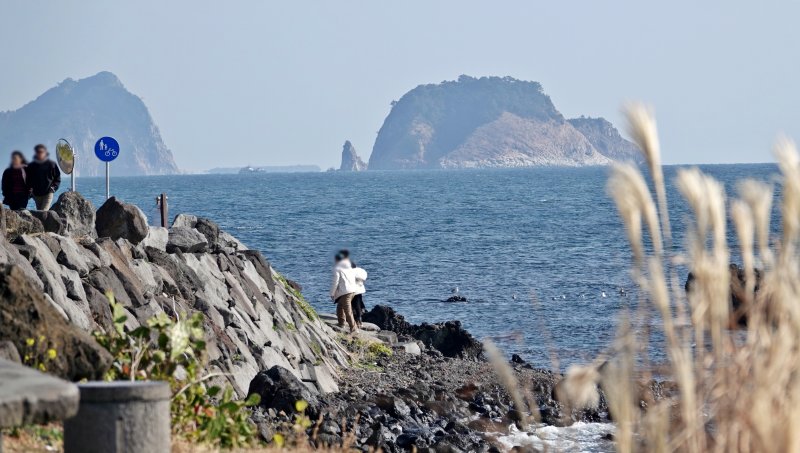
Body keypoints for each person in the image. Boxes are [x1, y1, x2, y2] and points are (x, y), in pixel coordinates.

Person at [330, 251, 367, 333]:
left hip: (345, 292)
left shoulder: (337, 268)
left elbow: (335, 282)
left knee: (348, 310)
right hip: (353, 290)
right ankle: (341, 323)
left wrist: (332, 293)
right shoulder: (349, 267)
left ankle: (353, 328)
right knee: (340, 306)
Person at [27, 144, 60, 211]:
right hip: (36, 195)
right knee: (40, 214)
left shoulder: (52, 164)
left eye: (41, 152)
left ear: (45, 153)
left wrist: (53, 187)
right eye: (38, 152)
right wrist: (30, 191)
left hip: (48, 193)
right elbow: (28, 180)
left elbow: (57, 178)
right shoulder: (31, 166)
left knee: (43, 212)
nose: (40, 154)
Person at [351, 261, 368, 328]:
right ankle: (360, 318)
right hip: (360, 289)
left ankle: (357, 320)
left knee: (355, 304)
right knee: (359, 302)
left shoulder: (351, 272)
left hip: (354, 290)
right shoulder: (361, 271)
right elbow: (364, 278)